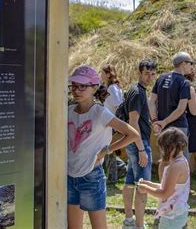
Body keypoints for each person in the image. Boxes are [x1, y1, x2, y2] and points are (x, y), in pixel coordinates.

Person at [67, 65, 140, 229]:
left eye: (82, 86)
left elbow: (132, 134)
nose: (77, 90)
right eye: (74, 86)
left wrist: (106, 150)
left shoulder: (101, 113)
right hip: (70, 176)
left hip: (91, 177)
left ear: (94, 88)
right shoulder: (69, 111)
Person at [122, 59, 157, 229]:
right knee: (143, 186)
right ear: (139, 73)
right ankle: (139, 225)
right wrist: (142, 149)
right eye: (146, 73)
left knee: (130, 182)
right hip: (138, 143)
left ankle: (129, 221)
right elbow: (133, 122)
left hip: (134, 142)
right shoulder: (137, 92)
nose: (149, 77)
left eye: (152, 73)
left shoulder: (137, 90)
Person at [137, 127, 190, 229]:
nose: (162, 152)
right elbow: (167, 187)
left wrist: (146, 189)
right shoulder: (180, 162)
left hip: (172, 216)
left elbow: (165, 193)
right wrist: (148, 184)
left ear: (172, 147)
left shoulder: (176, 167)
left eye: (163, 148)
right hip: (174, 213)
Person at [149, 51, 193, 160]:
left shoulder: (161, 78)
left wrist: (156, 122)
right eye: (190, 63)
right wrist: (163, 123)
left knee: (165, 158)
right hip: (178, 126)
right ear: (183, 64)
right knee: (180, 159)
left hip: (162, 127)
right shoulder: (184, 82)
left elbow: (151, 102)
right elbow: (181, 109)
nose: (192, 66)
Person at [100, 64, 124, 184]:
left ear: (108, 74)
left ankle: (113, 176)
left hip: (112, 122)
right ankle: (119, 169)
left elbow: (118, 104)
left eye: (103, 73)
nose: (101, 75)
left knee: (109, 149)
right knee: (109, 149)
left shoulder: (112, 88)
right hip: (110, 122)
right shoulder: (110, 87)